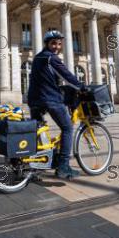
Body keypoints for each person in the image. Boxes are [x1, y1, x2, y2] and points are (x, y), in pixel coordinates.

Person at [27, 30, 84, 179]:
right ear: (47, 44)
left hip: (34, 100)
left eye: (59, 44)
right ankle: (63, 166)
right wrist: (82, 86)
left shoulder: (38, 57)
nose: (57, 47)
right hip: (49, 99)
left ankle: (33, 163)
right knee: (67, 128)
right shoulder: (51, 58)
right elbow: (67, 75)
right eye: (53, 43)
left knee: (37, 131)